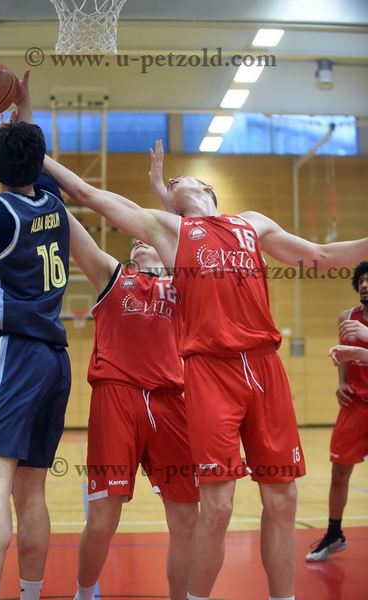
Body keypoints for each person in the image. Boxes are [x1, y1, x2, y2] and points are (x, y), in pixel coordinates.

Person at [43, 146, 368, 600]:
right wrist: (35, 152)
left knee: (284, 498)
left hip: (264, 366)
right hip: (210, 373)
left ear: (209, 188)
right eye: (169, 183)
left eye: (183, 177)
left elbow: (321, 253)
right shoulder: (171, 231)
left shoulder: (251, 223)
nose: (174, 180)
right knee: (217, 506)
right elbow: (86, 194)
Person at [0, 74, 71, 600]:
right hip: (55, 359)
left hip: (12, 356)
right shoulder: (52, 203)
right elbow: (30, 153)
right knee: (31, 491)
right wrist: (24, 111)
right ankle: (31, 594)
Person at [66, 228, 199, 600]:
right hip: (116, 396)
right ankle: (83, 594)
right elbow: (77, 237)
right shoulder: (113, 276)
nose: (140, 240)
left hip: (170, 401)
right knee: (103, 519)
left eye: (148, 236)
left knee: (187, 519)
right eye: (135, 240)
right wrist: (47, 193)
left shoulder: (187, 285)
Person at [306, 261, 368, 562]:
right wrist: (342, 382)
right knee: (339, 471)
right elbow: (344, 353)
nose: (365, 285)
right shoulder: (346, 317)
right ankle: (334, 534)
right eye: (362, 280)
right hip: (355, 405)